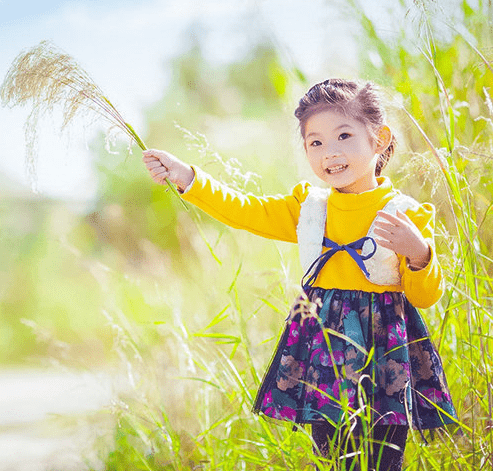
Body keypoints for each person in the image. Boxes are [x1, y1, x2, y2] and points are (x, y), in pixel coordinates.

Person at [142, 79, 458, 470]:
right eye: (316, 142)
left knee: (383, 458)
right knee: (333, 456)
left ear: (379, 139)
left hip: (384, 356)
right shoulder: (309, 208)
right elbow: (246, 211)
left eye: (344, 136)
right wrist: (188, 178)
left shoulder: (405, 213)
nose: (331, 153)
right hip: (322, 351)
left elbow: (425, 297)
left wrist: (419, 254)